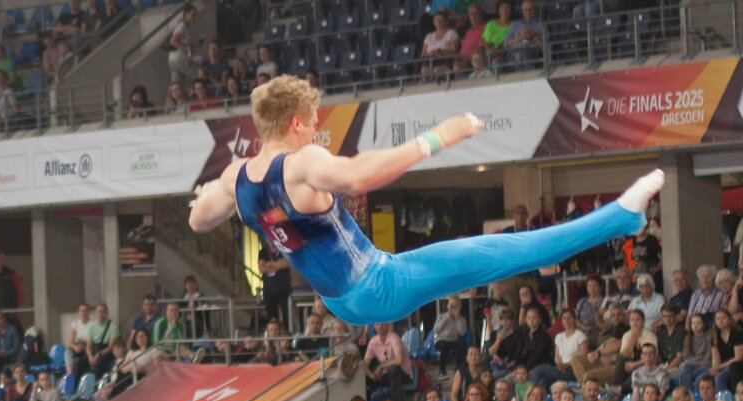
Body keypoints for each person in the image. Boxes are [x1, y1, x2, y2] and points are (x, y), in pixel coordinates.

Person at [188, 75, 663, 326]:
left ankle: (621, 218)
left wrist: (208, 195)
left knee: (491, 256)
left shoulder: (234, 179)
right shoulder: (301, 162)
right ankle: (621, 218)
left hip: (337, 301)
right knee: (502, 251)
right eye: (313, 122)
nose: (315, 131)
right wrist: (438, 138)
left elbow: (198, 222)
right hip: (377, 286)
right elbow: (357, 176)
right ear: (295, 123)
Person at [364, 323, 413, 401]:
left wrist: (381, 366)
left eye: (382, 324)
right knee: (364, 375)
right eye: (377, 324)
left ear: (387, 325)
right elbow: (364, 364)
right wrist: (372, 375)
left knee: (394, 369)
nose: (380, 326)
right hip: (387, 374)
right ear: (374, 326)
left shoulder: (394, 338)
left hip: (404, 374)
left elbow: (399, 361)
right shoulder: (373, 341)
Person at [433, 296, 467, 378]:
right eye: (451, 306)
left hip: (454, 340)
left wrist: (457, 318)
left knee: (462, 346)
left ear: (459, 307)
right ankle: (442, 371)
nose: (453, 308)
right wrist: (446, 319)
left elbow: (462, 333)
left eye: (456, 306)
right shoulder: (441, 317)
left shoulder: (462, 319)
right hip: (441, 339)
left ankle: (458, 371)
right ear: (447, 306)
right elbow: (436, 330)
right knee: (444, 346)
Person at [258, 241, 291, 325]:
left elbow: (286, 263)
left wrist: (270, 264)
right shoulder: (263, 252)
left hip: (284, 289)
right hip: (269, 291)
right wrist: (278, 265)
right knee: (272, 317)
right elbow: (262, 268)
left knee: (287, 316)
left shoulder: (284, 250)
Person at [168, 3, 200, 84]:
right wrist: (187, 49)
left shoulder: (186, 27)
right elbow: (173, 41)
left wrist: (194, 45)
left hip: (173, 60)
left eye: (195, 15)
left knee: (177, 85)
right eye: (192, 14)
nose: (194, 17)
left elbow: (182, 42)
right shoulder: (182, 25)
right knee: (199, 74)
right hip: (180, 59)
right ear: (186, 14)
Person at [87, 303, 121, 378]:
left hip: (107, 351)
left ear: (107, 313)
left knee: (99, 363)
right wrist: (90, 357)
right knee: (80, 363)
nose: (101, 314)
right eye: (99, 311)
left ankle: (96, 383)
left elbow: (110, 347)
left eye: (103, 311)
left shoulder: (113, 326)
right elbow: (89, 346)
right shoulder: (92, 326)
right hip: (95, 349)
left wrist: (98, 355)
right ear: (95, 313)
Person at [678, 314, 712, 390]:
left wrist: (694, 361)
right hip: (692, 365)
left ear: (704, 324)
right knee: (683, 366)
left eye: (698, 323)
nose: (695, 326)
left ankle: (687, 392)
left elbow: (708, 358)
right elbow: (686, 358)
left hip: (705, 365)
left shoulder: (709, 336)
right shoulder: (688, 338)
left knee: (688, 374)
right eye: (693, 323)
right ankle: (685, 392)